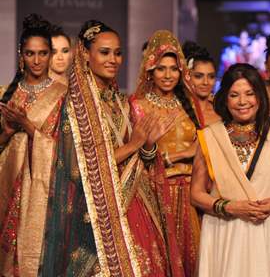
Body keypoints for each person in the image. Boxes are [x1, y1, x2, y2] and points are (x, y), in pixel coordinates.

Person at [40, 20, 171, 276]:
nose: (113, 59)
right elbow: (79, 170)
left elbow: (141, 158)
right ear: (86, 55)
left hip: (136, 204)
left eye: (118, 52)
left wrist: (148, 145)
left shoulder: (123, 102)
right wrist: (134, 144)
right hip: (98, 212)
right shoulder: (74, 109)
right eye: (105, 52)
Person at [191, 63, 270, 276]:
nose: (242, 101)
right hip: (226, 229)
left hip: (269, 227)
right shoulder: (211, 137)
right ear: (225, 99)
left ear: (260, 97)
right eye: (234, 95)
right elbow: (197, 194)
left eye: (249, 94)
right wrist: (230, 207)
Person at [0, 14, 67, 277]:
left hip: (44, 190)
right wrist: (6, 133)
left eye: (42, 53)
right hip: (6, 184)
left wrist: (28, 127)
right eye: (30, 53)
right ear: (21, 54)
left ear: (50, 55)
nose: (37, 60)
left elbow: (67, 151)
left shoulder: (63, 96)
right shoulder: (6, 93)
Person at [131, 30, 202, 277]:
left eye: (173, 68)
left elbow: (204, 148)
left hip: (190, 196)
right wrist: (161, 152)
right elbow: (135, 156)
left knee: (192, 262)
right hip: (155, 196)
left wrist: (185, 153)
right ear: (150, 70)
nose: (168, 75)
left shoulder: (191, 106)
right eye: (161, 68)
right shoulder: (137, 106)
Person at [183, 40, 221, 126]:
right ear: (187, 77)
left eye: (211, 76)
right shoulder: (177, 112)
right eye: (198, 76)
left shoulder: (222, 111)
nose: (206, 82)